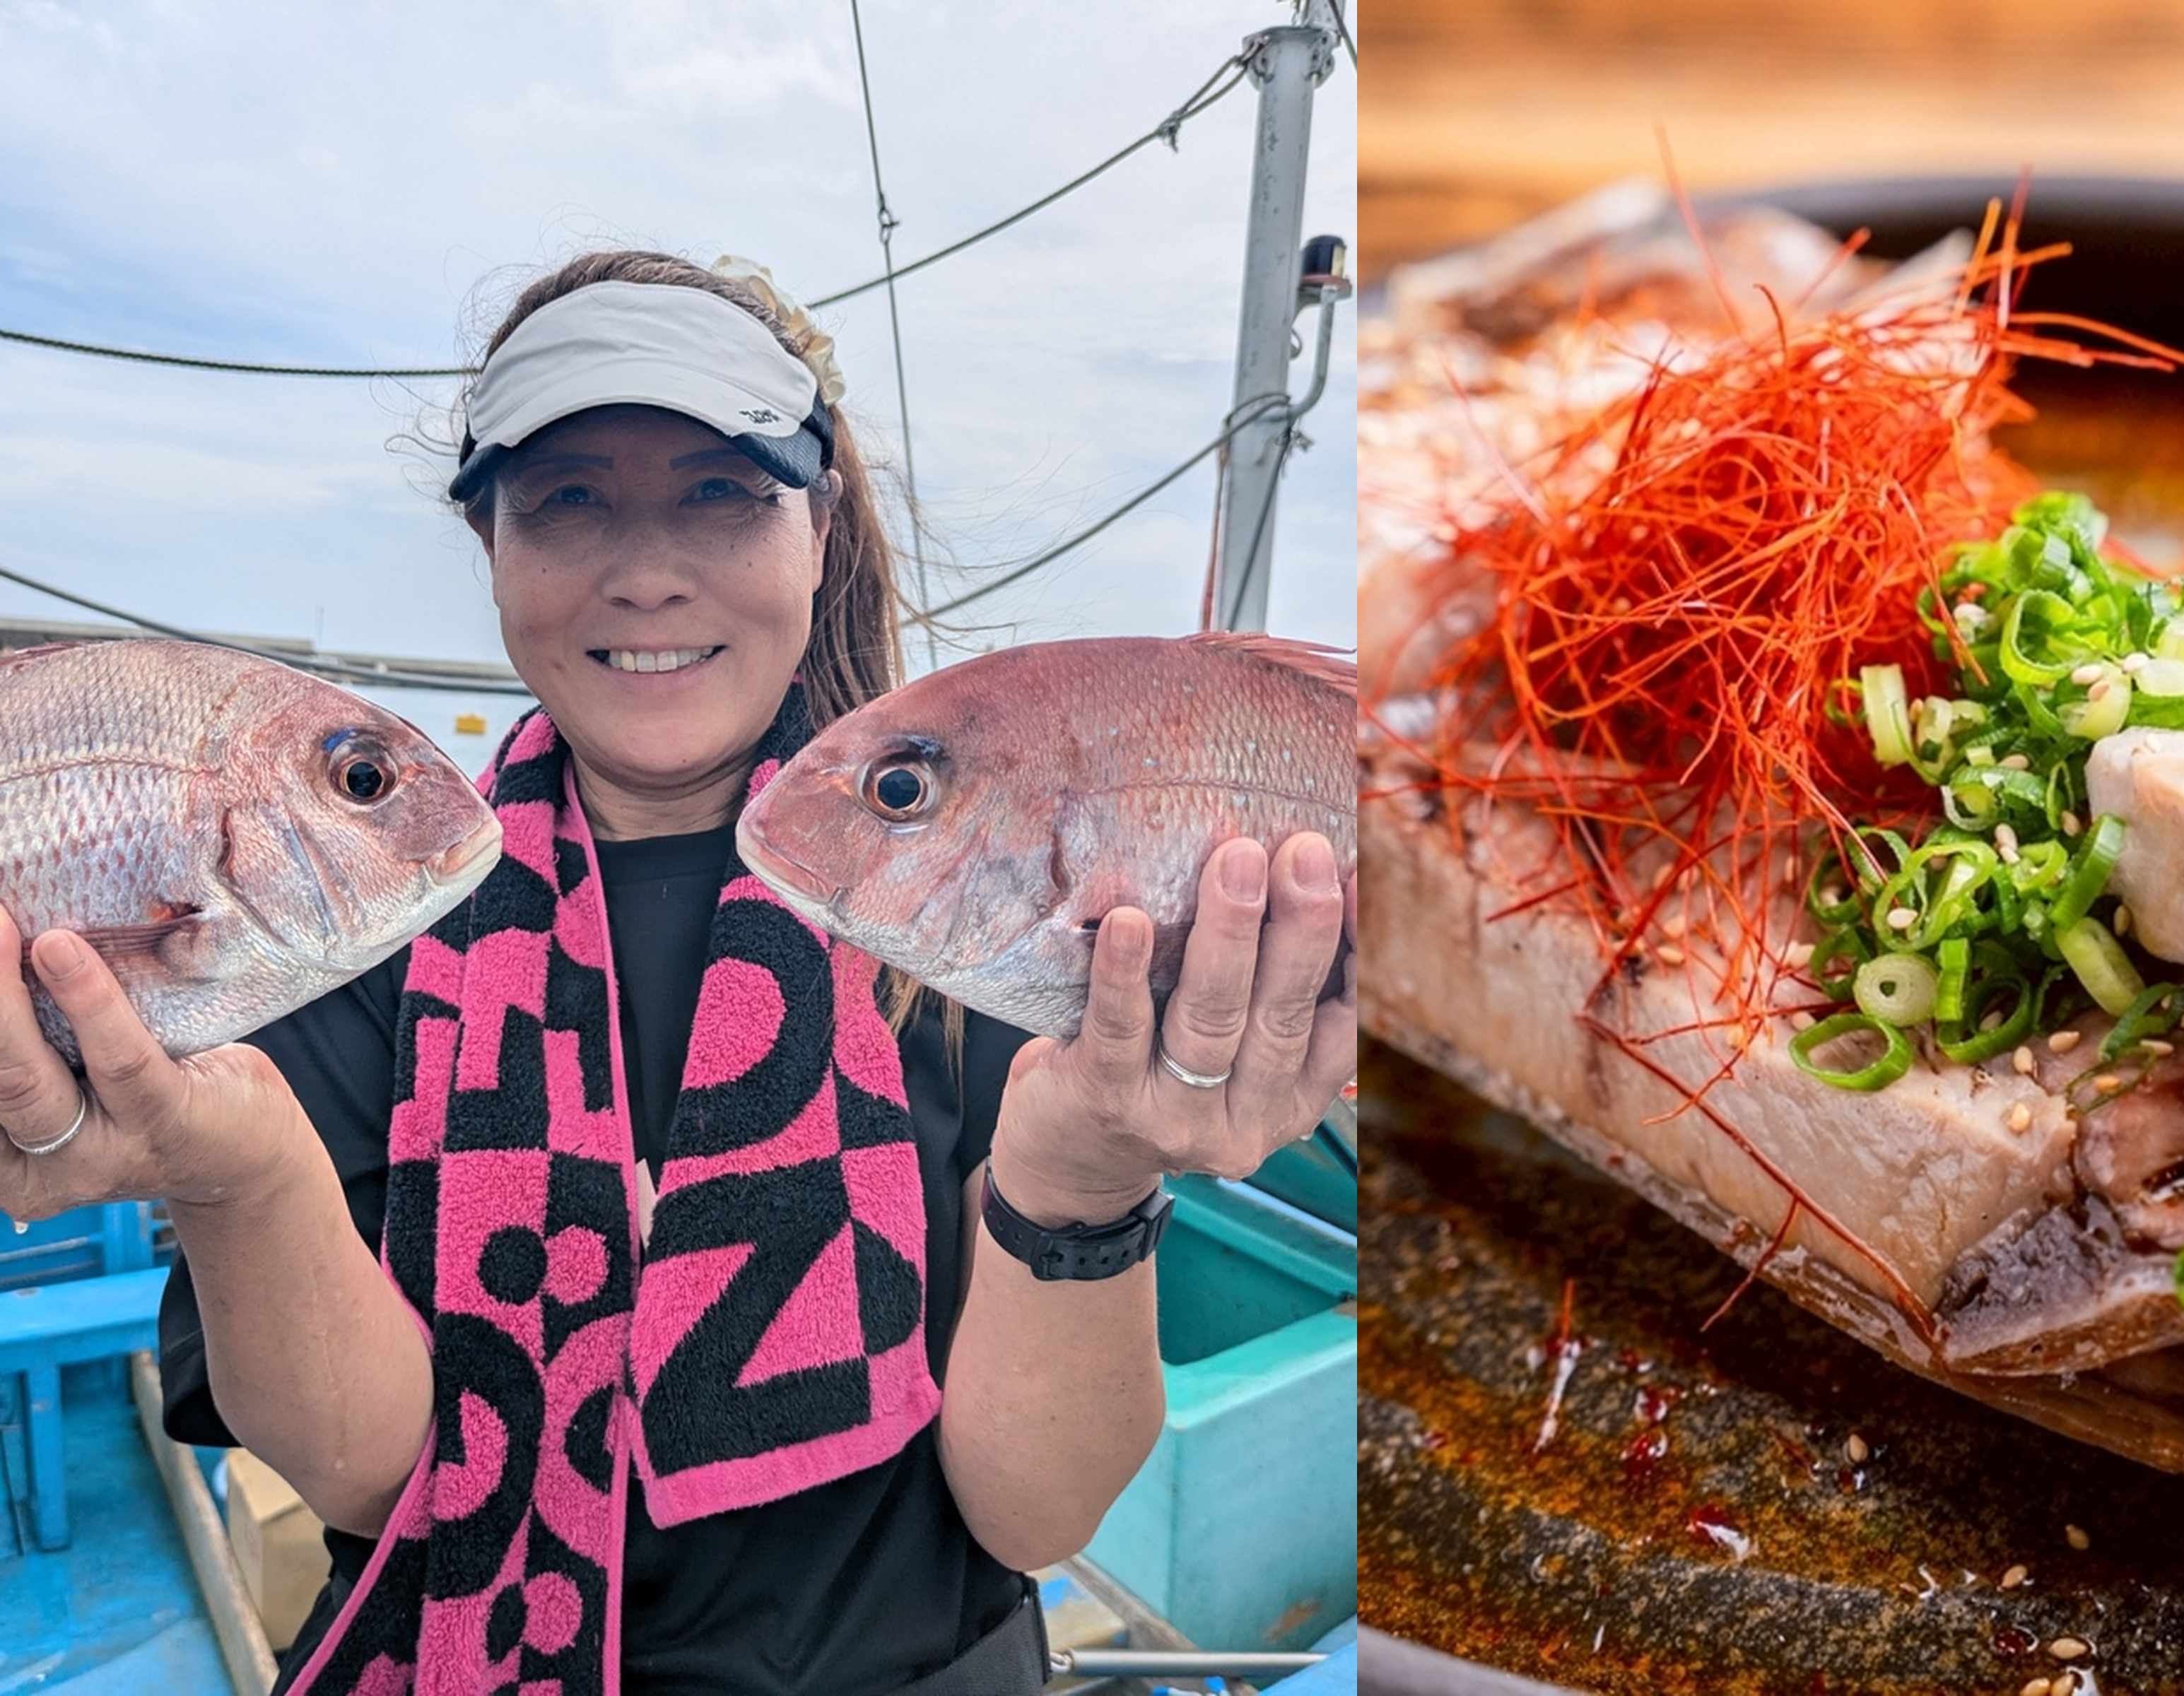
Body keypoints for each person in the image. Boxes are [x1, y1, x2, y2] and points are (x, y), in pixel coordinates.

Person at [0, 250, 1354, 1695]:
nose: (646, 572)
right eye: (567, 498)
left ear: (819, 531)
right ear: (491, 546)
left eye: (722, 490)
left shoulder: (979, 912)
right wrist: (242, 1177)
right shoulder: (350, 908)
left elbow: (1036, 1516)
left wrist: (1083, 1182)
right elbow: (367, 1476)